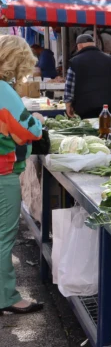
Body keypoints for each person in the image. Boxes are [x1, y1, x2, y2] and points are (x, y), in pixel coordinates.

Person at [0, 37, 44, 314]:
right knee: (4, 237)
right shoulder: (3, 89)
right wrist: (37, 122)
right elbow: (27, 129)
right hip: (2, 172)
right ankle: (7, 297)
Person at [65, 33, 111, 119]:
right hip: (109, 108)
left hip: (85, 109)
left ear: (79, 46)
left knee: (89, 131)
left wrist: (68, 105)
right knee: (107, 130)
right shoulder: (110, 60)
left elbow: (69, 87)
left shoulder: (75, 62)